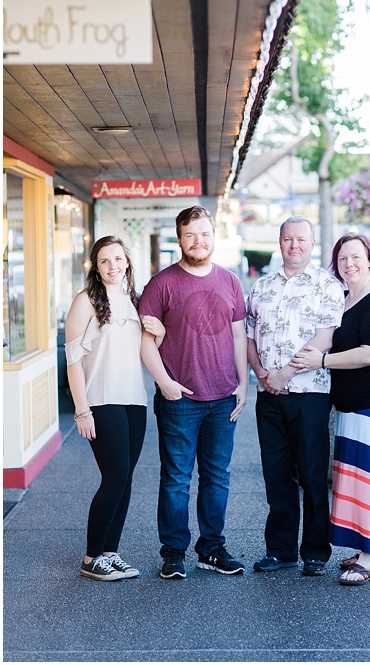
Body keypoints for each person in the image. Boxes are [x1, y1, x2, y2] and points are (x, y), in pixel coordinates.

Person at [139, 205, 249, 580]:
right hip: (179, 399)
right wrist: (165, 384)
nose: (198, 241)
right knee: (176, 477)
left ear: (213, 236)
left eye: (204, 234)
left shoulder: (231, 282)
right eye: (190, 235)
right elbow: (146, 344)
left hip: (222, 398)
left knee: (217, 476)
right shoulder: (162, 284)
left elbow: (238, 336)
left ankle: (212, 549)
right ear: (180, 238)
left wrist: (244, 382)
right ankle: (173, 553)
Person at [291, 232, 370, 586]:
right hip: (352, 406)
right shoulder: (343, 299)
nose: (349, 264)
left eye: (355, 257)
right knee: (361, 479)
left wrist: (322, 360)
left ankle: (368, 558)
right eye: (342, 259)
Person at [246, 217, 344, 576]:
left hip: (309, 394)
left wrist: (284, 374)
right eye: (288, 239)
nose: (294, 245)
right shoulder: (261, 287)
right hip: (268, 396)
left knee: (313, 473)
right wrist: (262, 375)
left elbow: (325, 338)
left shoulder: (327, 286)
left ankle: (316, 551)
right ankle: (281, 550)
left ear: (312, 244)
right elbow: (250, 337)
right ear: (280, 242)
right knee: (277, 475)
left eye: (301, 239)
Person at [66, 237, 158, 581]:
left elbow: (144, 350)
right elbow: (73, 361)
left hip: (134, 400)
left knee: (126, 479)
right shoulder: (86, 300)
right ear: (96, 266)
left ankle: (110, 552)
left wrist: (160, 332)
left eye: (118, 259)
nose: (112, 266)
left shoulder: (134, 301)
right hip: (101, 400)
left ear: (127, 263)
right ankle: (91, 558)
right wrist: (81, 410)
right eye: (104, 261)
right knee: (115, 476)